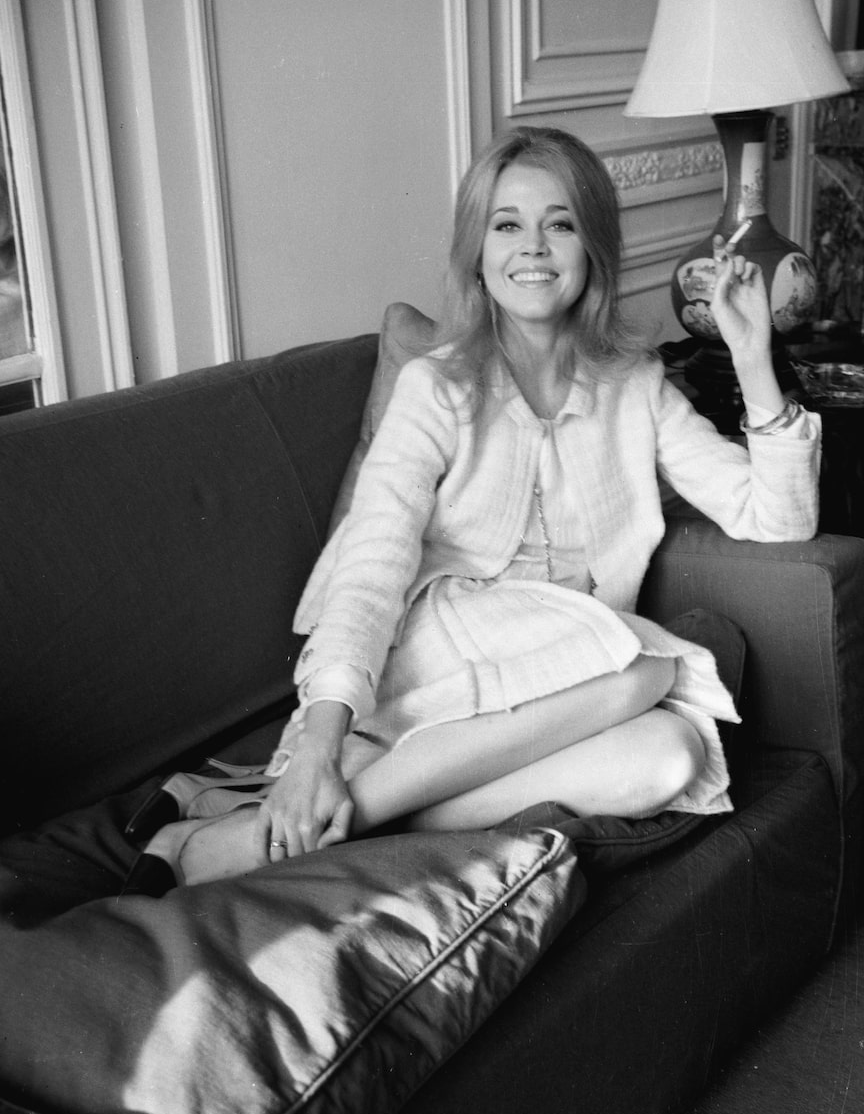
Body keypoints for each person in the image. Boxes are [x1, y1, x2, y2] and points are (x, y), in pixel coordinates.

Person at [123, 126, 820, 895]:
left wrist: (753, 358)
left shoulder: (635, 386)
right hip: (440, 649)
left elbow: (778, 519)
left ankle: (336, 818)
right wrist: (318, 746)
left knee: (671, 757)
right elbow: (372, 563)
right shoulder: (437, 386)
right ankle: (291, 816)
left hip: (556, 678)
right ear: (477, 254)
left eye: (560, 224)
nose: (533, 247)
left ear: (592, 247)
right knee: (646, 669)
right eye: (506, 225)